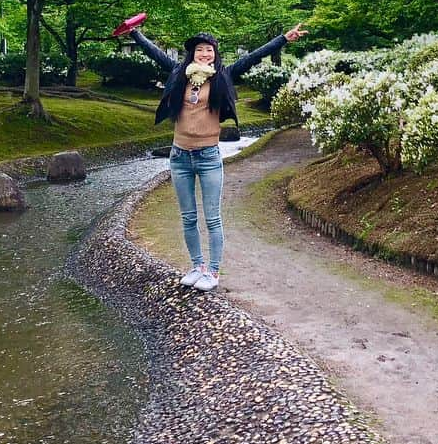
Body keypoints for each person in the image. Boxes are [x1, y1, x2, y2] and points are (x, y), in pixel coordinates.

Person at [128, 21, 307, 291]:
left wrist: (283, 38)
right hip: (179, 157)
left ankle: (213, 271)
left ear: (215, 53)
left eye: (209, 50)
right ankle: (197, 265)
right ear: (192, 53)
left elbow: (253, 57)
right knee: (188, 216)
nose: (205, 54)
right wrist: (134, 34)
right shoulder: (179, 73)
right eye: (200, 50)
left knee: (212, 218)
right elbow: (156, 53)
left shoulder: (222, 76)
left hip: (208, 156)